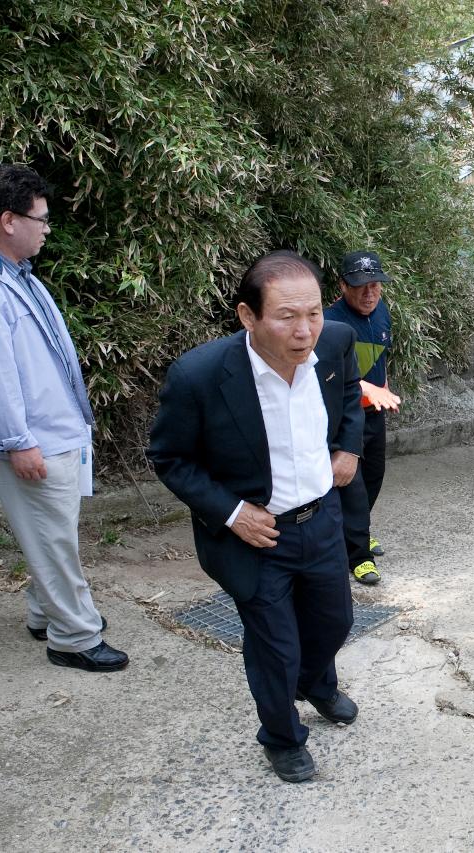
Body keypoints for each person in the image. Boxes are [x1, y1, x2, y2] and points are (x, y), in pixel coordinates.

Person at [148, 251, 364, 783]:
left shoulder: (335, 343)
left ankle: (317, 684)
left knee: (334, 621)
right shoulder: (200, 375)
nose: (305, 330)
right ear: (248, 316)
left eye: (312, 312)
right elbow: (170, 457)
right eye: (286, 316)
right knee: (275, 648)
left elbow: (351, 398)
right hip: (257, 536)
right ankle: (282, 736)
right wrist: (231, 512)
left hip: (322, 519)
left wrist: (347, 446)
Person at [0, 165, 127, 673]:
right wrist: (18, 441)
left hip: (51, 432)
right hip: (27, 440)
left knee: (51, 531)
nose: (47, 228)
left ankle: (47, 613)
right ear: (8, 220)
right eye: (40, 219)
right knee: (53, 537)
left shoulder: (12, 274)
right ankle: (74, 636)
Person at [325, 251, 401, 584]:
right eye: (360, 286)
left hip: (373, 413)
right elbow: (334, 375)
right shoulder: (330, 324)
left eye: (375, 285)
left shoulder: (381, 313)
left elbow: (378, 360)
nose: (370, 293)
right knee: (351, 484)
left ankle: (358, 530)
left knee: (374, 475)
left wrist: (383, 391)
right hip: (344, 416)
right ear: (342, 285)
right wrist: (371, 391)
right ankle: (359, 557)